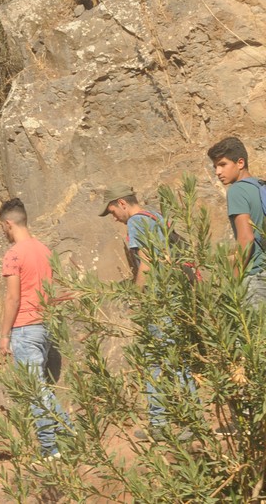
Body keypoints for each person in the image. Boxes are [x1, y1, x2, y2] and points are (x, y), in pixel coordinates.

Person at [99, 184, 196, 441]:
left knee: (156, 359)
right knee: (176, 359)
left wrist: (139, 298)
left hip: (159, 299)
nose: (114, 218)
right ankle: (188, 418)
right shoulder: (155, 216)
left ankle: (161, 422)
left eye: (112, 211)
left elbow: (147, 264)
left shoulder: (136, 223)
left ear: (122, 203)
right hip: (175, 297)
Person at [0, 198, 71, 459]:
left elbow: (12, 298)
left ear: (8, 224)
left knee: (35, 390)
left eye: (2, 228)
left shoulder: (14, 254)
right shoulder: (44, 250)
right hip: (46, 326)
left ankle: (55, 446)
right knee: (42, 389)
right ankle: (65, 440)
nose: (4, 233)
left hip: (25, 329)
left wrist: (5, 335)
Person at [207, 137, 266, 306]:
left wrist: (233, 280)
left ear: (240, 163)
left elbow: (246, 239)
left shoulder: (237, 191)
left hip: (256, 277)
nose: (217, 172)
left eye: (222, 164)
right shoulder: (260, 185)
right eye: (215, 167)